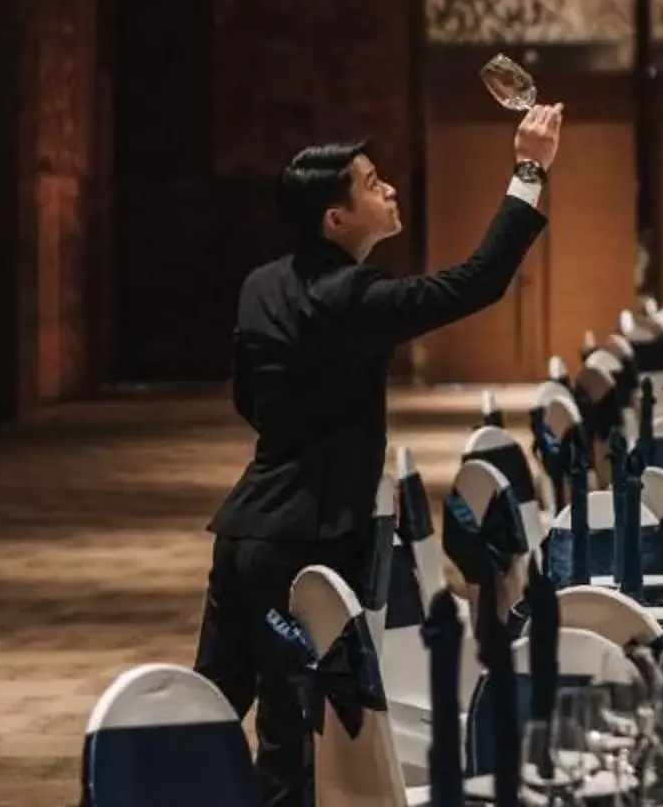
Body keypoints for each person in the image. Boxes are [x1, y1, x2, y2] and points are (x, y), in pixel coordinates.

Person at [196, 103, 564, 807]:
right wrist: (529, 169)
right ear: (336, 219)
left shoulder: (260, 285)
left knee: (209, 706)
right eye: (370, 183)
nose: (389, 188)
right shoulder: (352, 297)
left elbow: (250, 400)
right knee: (296, 732)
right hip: (307, 544)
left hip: (245, 532)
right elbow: (478, 281)